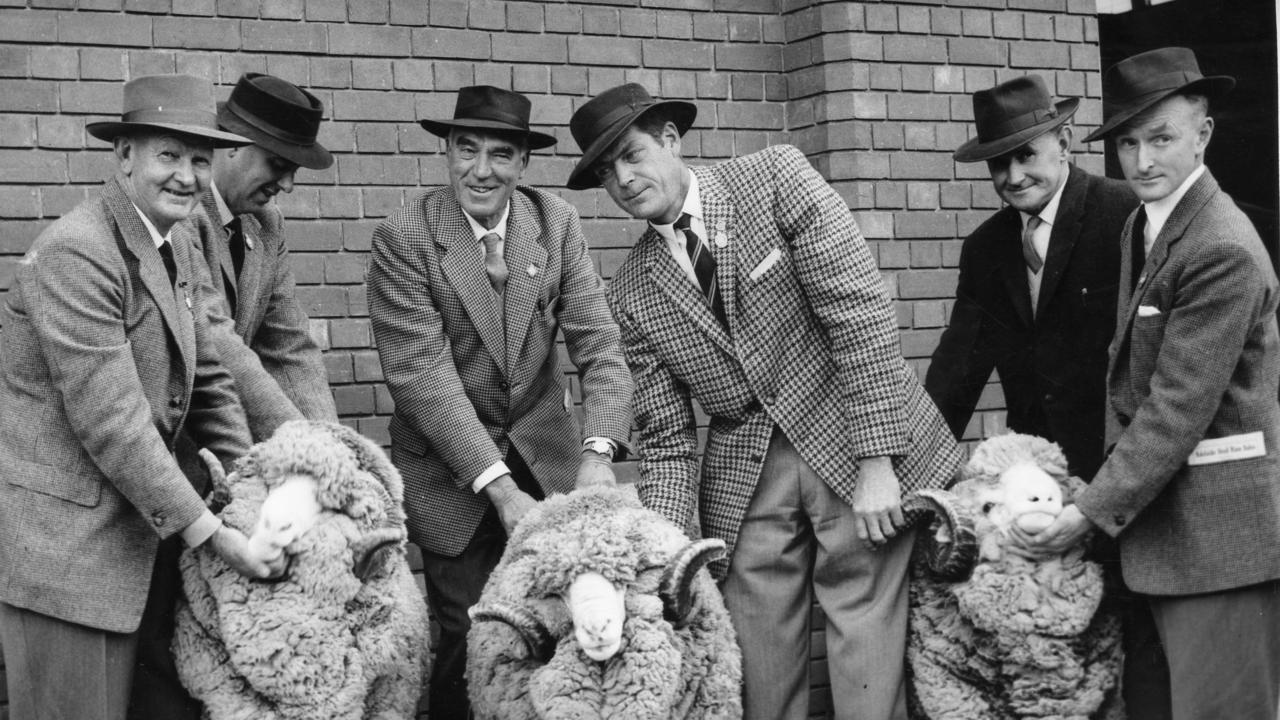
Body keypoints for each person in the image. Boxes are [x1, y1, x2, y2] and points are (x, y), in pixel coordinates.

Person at [567, 83, 962, 720]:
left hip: (852, 440)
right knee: (754, 664)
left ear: (670, 140)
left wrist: (879, 463)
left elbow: (859, 317)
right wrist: (672, 552)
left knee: (865, 641)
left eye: (633, 156)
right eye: (608, 173)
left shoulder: (774, 179)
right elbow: (667, 442)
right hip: (747, 478)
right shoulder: (632, 289)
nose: (624, 179)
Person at [0, 74, 285, 720]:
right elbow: (117, 426)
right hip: (68, 561)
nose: (186, 175)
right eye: (169, 155)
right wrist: (218, 535)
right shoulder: (77, 253)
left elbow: (207, 375)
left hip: (143, 541)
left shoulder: (176, 239)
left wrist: (249, 491)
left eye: (199, 160)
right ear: (124, 156)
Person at [1027, 47, 1280, 719]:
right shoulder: (1145, 224)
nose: (1141, 161)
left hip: (1216, 543)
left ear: (1203, 135)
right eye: (1128, 143)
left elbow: (1175, 408)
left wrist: (1088, 510)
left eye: (1161, 138)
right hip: (1159, 534)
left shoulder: (1219, 245)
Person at [367, 85, 633, 719]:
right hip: (451, 478)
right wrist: (501, 490)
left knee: (561, 632)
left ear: (522, 165)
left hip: (548, 466)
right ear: (447, 153)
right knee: (472, 635)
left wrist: (598, 454)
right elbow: (423, 380)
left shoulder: (556, 225)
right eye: (466, 150)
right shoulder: (403, 236)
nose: (480, 170)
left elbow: (602, 350)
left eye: (499, 155)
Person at [926, 75, 1136, 482]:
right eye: (999, 163)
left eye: (1025, 155)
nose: (1014, 176)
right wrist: (910, 465)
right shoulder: (984, 248)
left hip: (1120, 471)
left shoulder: (1124, 214)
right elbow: (956, 372)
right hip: (1036, 479)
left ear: (1063, 143)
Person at [199, 72, 337, 424]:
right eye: (278, 165)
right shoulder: (181, 216)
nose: (288, 185)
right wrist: (301, 445)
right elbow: (216, 343)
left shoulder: (267, 223)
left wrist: (329, 442)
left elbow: (289, 345)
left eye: (294, 170)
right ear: (231, 143)